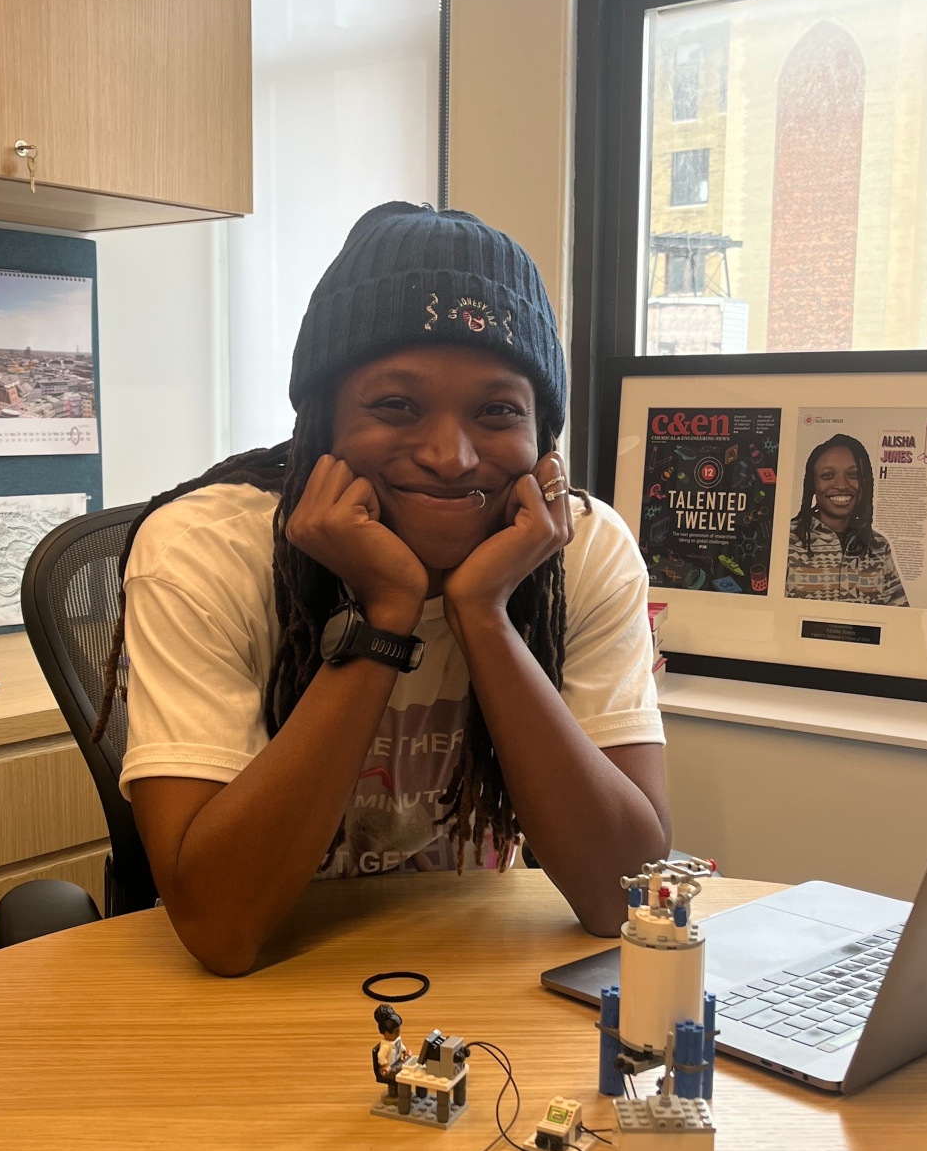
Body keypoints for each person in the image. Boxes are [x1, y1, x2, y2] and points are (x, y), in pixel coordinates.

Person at [109, 200, 670, 975]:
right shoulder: (206, 550)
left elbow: (623, 898)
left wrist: (484, 615)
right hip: (268, 976)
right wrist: (385, 620)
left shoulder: (584, 552)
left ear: (542, 437)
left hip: (469, 965)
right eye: (396, 406)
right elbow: (221, 929)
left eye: (497, 411)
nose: (451, 455)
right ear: (322, 423)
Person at [783, 434, 908, 606]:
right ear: (813, 483)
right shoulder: (786, 541)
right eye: (827, 475)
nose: (842, 485)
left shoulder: (878, 546)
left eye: (853, 475)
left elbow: (899, 616)